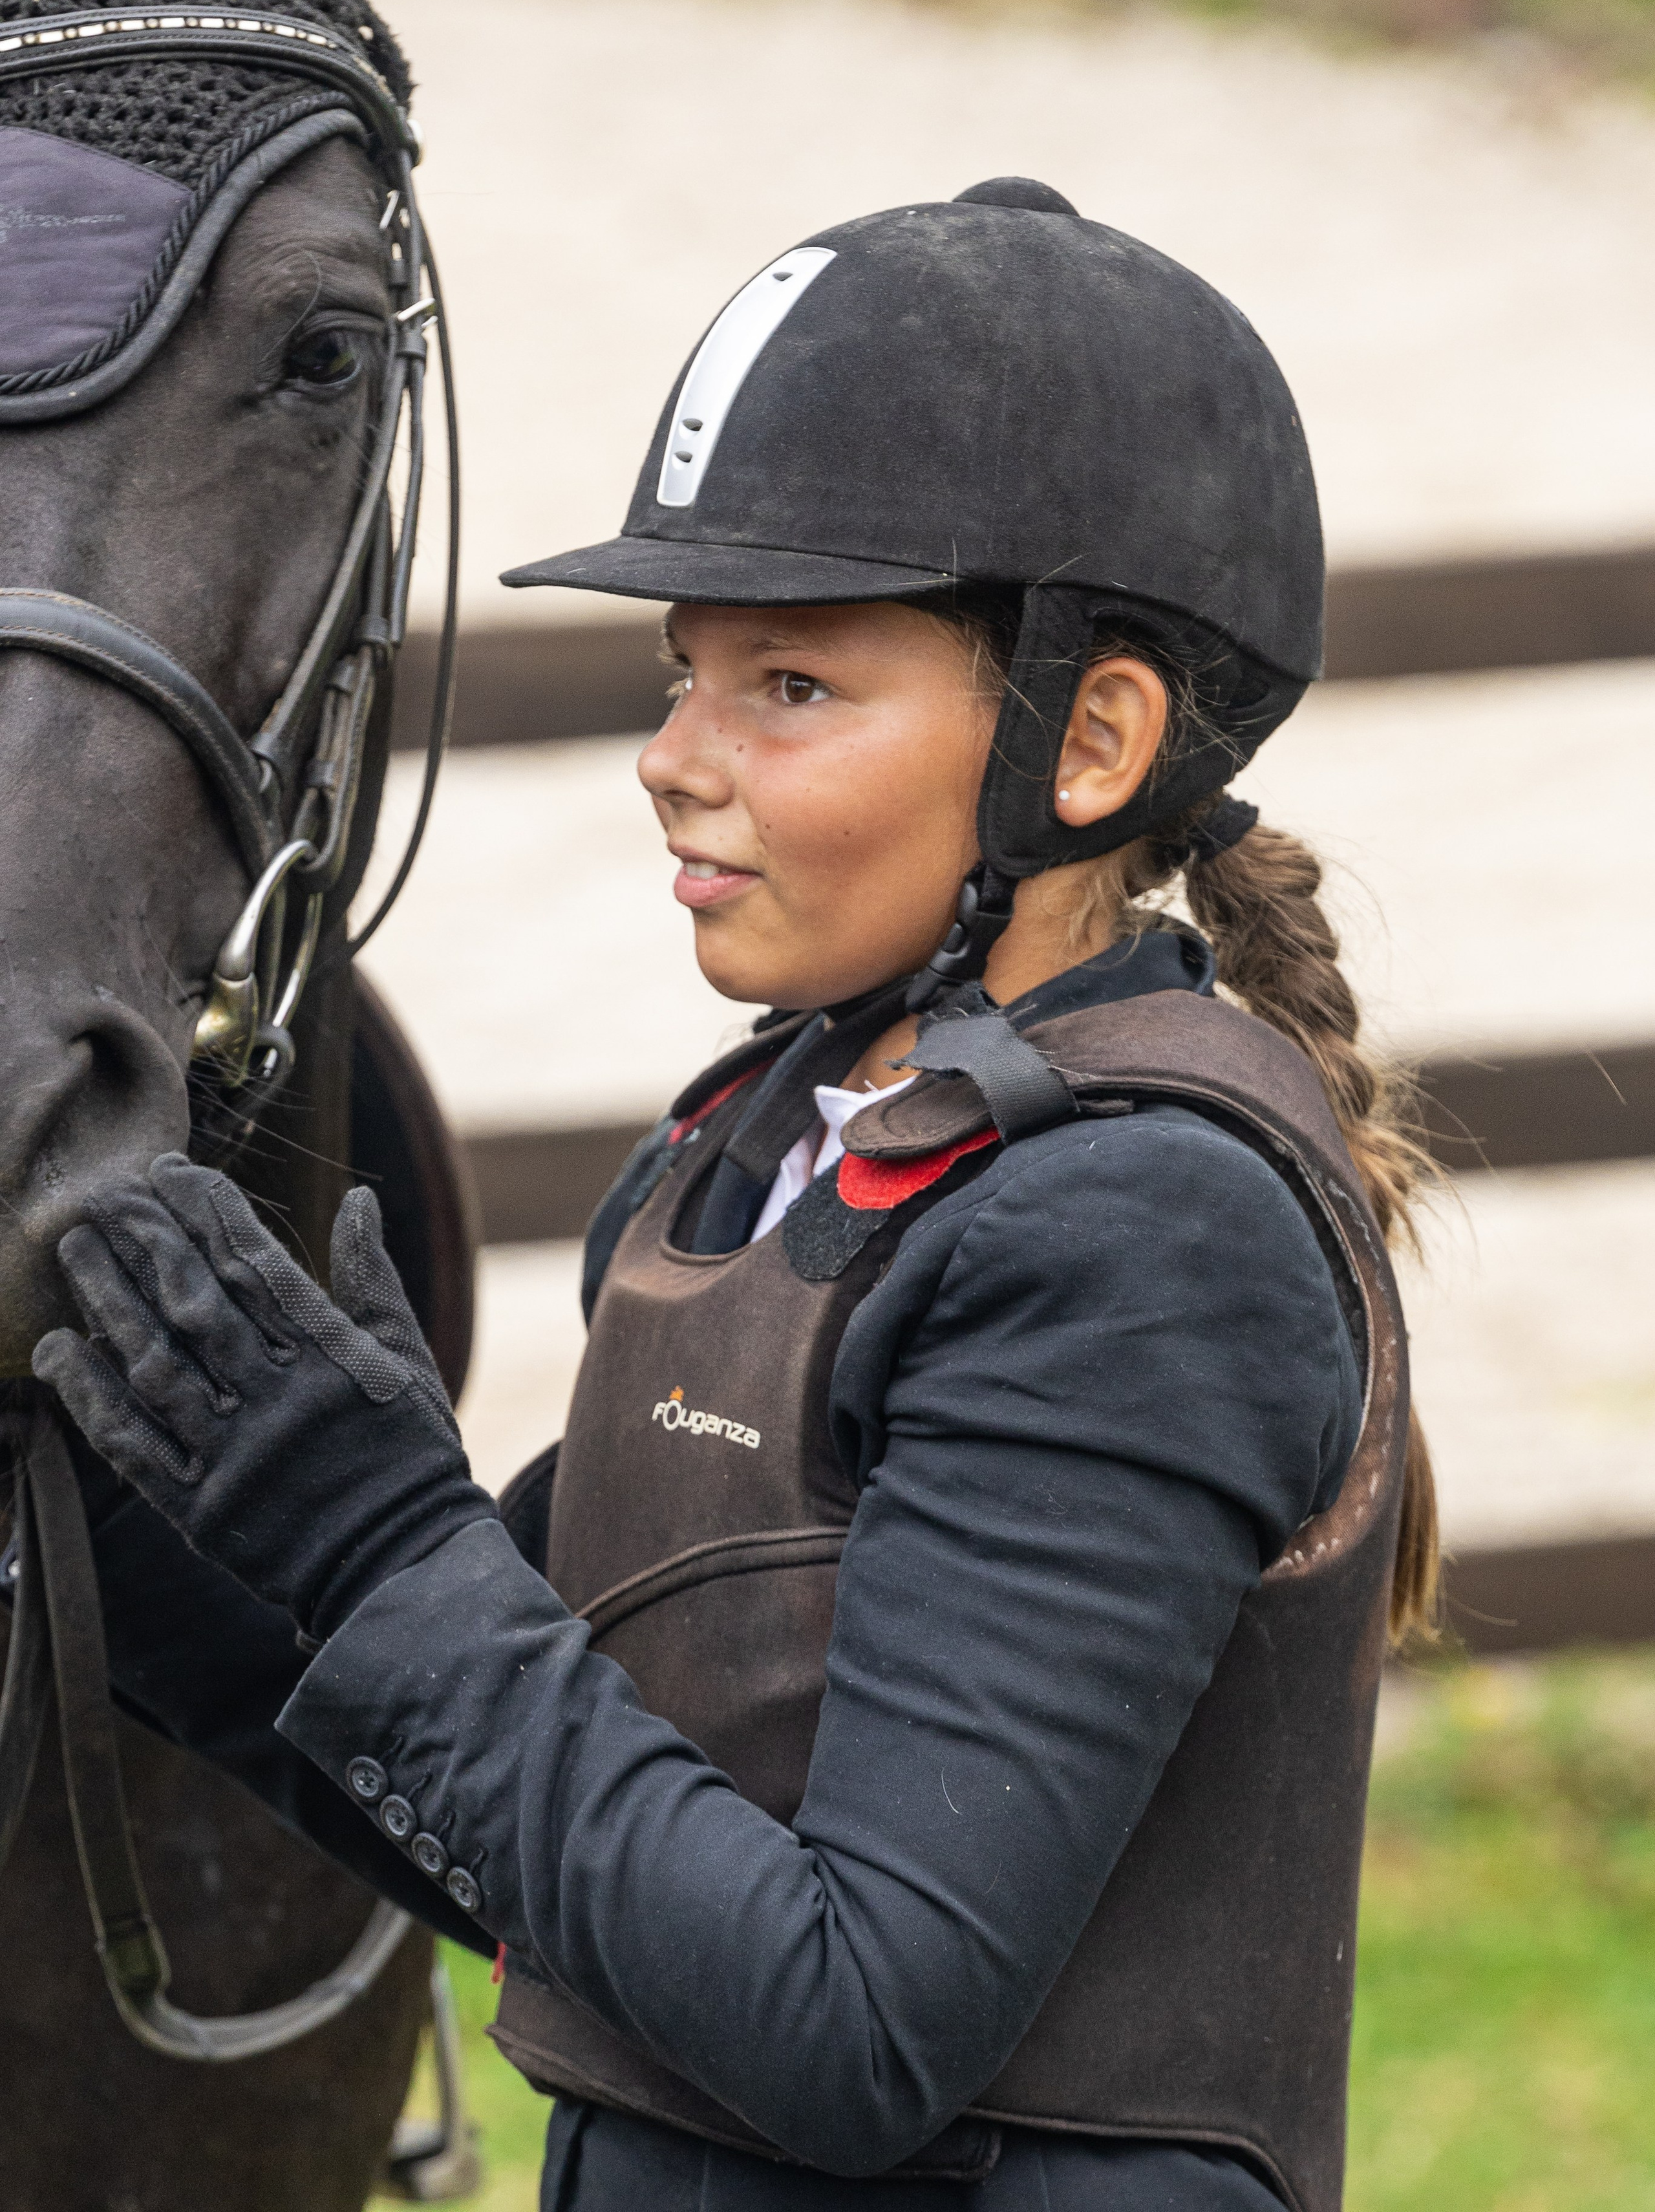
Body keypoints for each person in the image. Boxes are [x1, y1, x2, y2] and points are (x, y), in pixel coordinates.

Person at [36, 178, 1439, 2212]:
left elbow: (853, 2028)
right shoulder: (767, 1145)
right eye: (688, 673)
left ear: (1095, 735)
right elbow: (563, 1843)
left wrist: (380, 1542)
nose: (672, 757)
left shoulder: (1139, 1231)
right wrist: (143, 1510)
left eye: (790, 689)